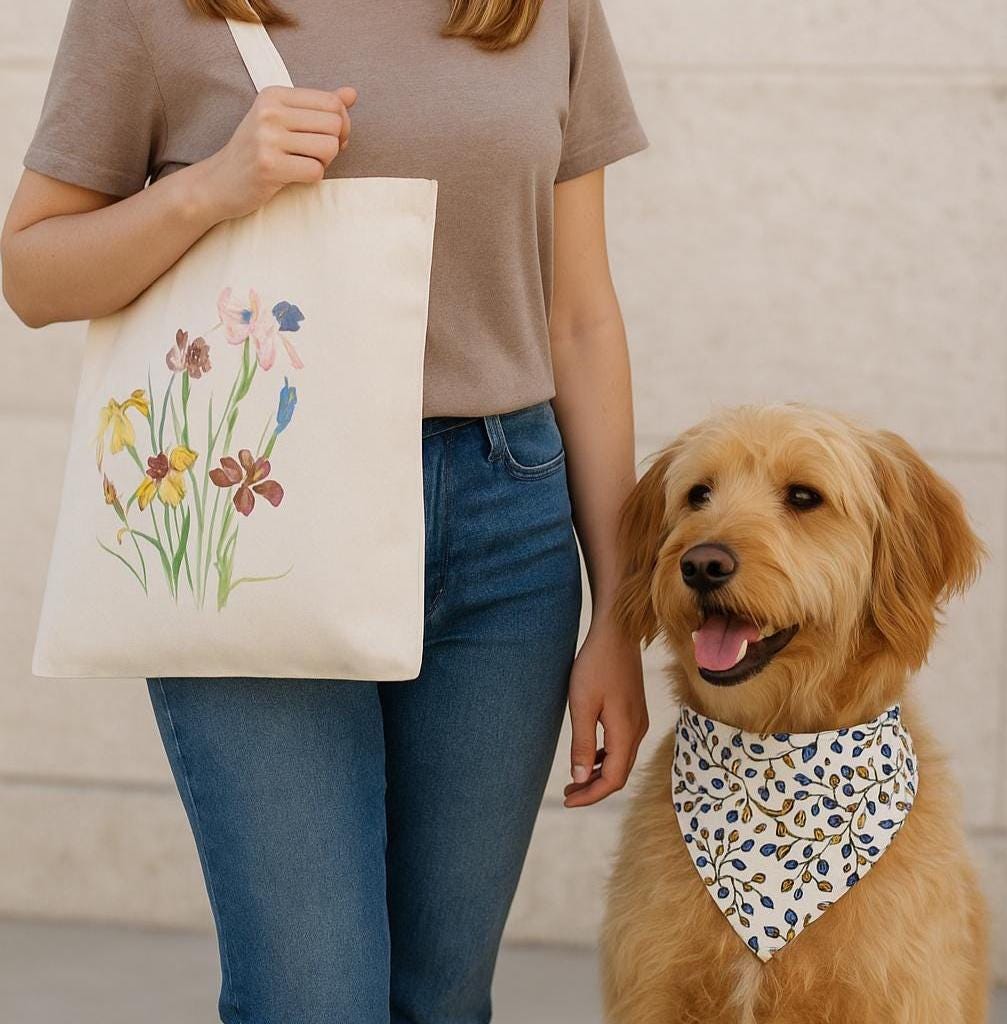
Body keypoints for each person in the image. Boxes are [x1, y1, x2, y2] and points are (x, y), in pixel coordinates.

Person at [1, 1, 649, 1020]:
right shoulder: (153, 9)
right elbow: (31, 272)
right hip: (264, 516)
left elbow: (580, 318)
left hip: (504, 527)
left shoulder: (537, 8)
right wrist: (211, 190)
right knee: (311, 998)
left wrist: (622, 609)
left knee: (440, 999)